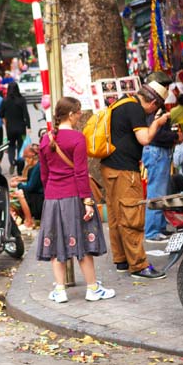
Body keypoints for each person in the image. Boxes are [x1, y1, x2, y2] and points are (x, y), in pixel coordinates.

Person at [37, 96, 115, 304]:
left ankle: (60, 290)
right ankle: (92, 288)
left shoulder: (46, 139)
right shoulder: (78, 139)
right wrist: (88, 202)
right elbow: (81, 173)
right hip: (74, 197)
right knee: (81, 242)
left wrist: (50, 195)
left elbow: (44, 174)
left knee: (56, 244)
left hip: (53, 198)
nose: (81, 115)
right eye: (79, 112)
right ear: (71, 115)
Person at [99, 81, 171, 280]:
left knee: (115, 216)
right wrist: (158, 123)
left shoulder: (122, 102)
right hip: (124, 170)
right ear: (153, 103)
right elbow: (145, 139)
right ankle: (139, 266)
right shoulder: (135, 108)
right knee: (131, 216)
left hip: (109, 167)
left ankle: (121, 259)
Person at [144, 108, 181, 242]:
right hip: (157, 152)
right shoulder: (155, 113)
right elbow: (156, 135)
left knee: (160, 192)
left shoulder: (153, 111)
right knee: (156, 192)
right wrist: (175, 136)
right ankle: (152, 231)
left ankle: (159, 228)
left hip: (159, 152)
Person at [10, 143, 43, 230]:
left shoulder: (38, 167)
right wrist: (21, 179)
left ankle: (28, 221)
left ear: (31, 157)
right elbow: (33, 180)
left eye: (26, 158)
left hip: (39, 201)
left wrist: (18, 184)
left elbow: (30, 187)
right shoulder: (38, 166)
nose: (26, 161)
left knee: (19, 193)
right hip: (39, 197)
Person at [1, 82, 31, 175]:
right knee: (21, 147)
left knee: (11, 146)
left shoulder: (5, 101)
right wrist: (29, 126)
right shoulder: (22, 100)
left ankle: (12, 162)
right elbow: (26, 114)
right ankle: (19, 170)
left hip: (10, 128)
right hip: (21, 128)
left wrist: (6, 121)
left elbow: (1, 114)